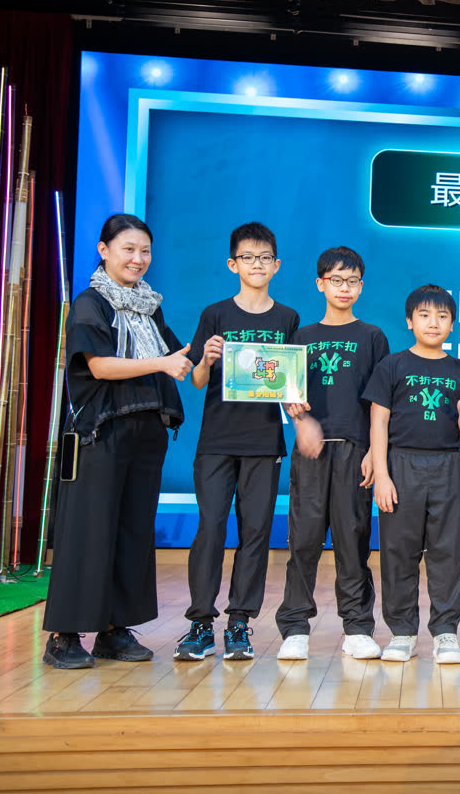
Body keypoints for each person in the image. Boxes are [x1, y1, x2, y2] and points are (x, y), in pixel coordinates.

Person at [42, 215, 192, 668]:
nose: (138, 259)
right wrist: (162, 364)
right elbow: (101, 366)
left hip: (146, 431)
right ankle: (65, 636)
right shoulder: (92, 302)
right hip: (100, 433)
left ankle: (114, 630)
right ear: (104, 250)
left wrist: (204, 355)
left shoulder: (149, 307)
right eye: (128, 249)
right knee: (89, 532)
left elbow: (176, 357)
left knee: (132, 532)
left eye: (145, 251)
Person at [175, 222, 299, 662]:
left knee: (256, 533)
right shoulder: (215, 314)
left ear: (276, 265)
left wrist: (297, 406)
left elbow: (289, 385)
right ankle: (200, 622)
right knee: (210, 528)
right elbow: (196, 380)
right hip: (216, 441)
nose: (257, 264)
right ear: (233, 264)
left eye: (264, 258)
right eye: (248, 257)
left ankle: (240, 623)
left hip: (265, 443)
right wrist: (206, 360)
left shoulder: (287, 319)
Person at [274, 247, 390, 661]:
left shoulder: (372, 337)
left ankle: (357, 627)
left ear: (361, 286)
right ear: (320, 284)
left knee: (353, 540)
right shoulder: (302, 337)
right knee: (303, 540)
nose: (345, 288)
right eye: (336, 280)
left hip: (354, 452)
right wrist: (299, 421)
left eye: (352, 281)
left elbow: (380, 404)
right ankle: (295, 627)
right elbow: (288, 396)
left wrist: (375, 452)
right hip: (310, 455)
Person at [364, 285, 460, 664]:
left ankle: (446, 632)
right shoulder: (392, 366)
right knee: (399, 551)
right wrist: (382, 475)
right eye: (425, 315)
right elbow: (378, 423)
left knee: (448, 552)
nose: (434, 323)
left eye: (443, 316)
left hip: (447, 466)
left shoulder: (459, 370)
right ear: (409, 321)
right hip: (401, 466)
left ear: (452, 324)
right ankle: (402, 633)